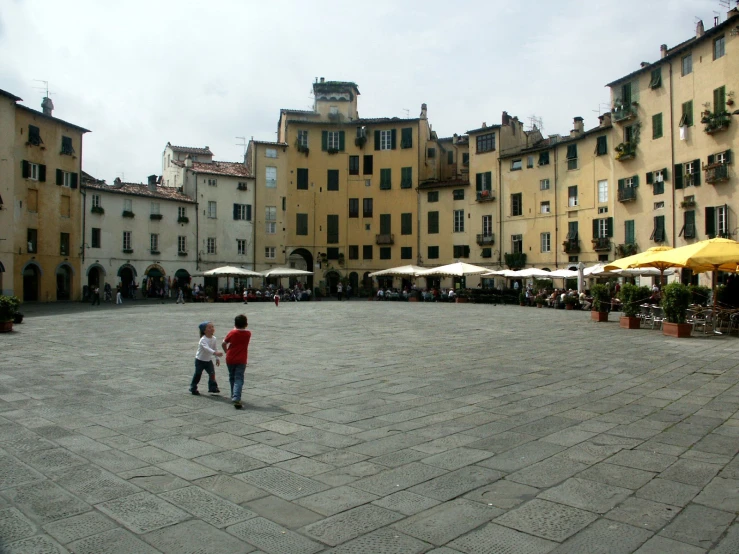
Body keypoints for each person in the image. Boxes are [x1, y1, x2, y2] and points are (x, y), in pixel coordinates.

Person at [222, 314, 252, 409]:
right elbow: (241, 331)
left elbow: (224, 343)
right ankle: (237, 397)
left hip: (230, 358)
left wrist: (226, 351)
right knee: (239, 378)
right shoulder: (248, 334)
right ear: (246, 324)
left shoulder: (232, 333)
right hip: (241, 359)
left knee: (232, 377)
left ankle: (233, 394)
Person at [190, 321, 222, 395]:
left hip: (208, 360)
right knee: (198, 374)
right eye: (209, 327)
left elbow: (215, 348)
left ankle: (213, 387)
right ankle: (193, 387)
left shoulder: (214, 338)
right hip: (200, 360)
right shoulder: (203, 340)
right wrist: (215, 353)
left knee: (212, 374)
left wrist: (217, 358)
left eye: (212, 327)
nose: (212, 329)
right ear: (204, 330)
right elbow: (206, 348)